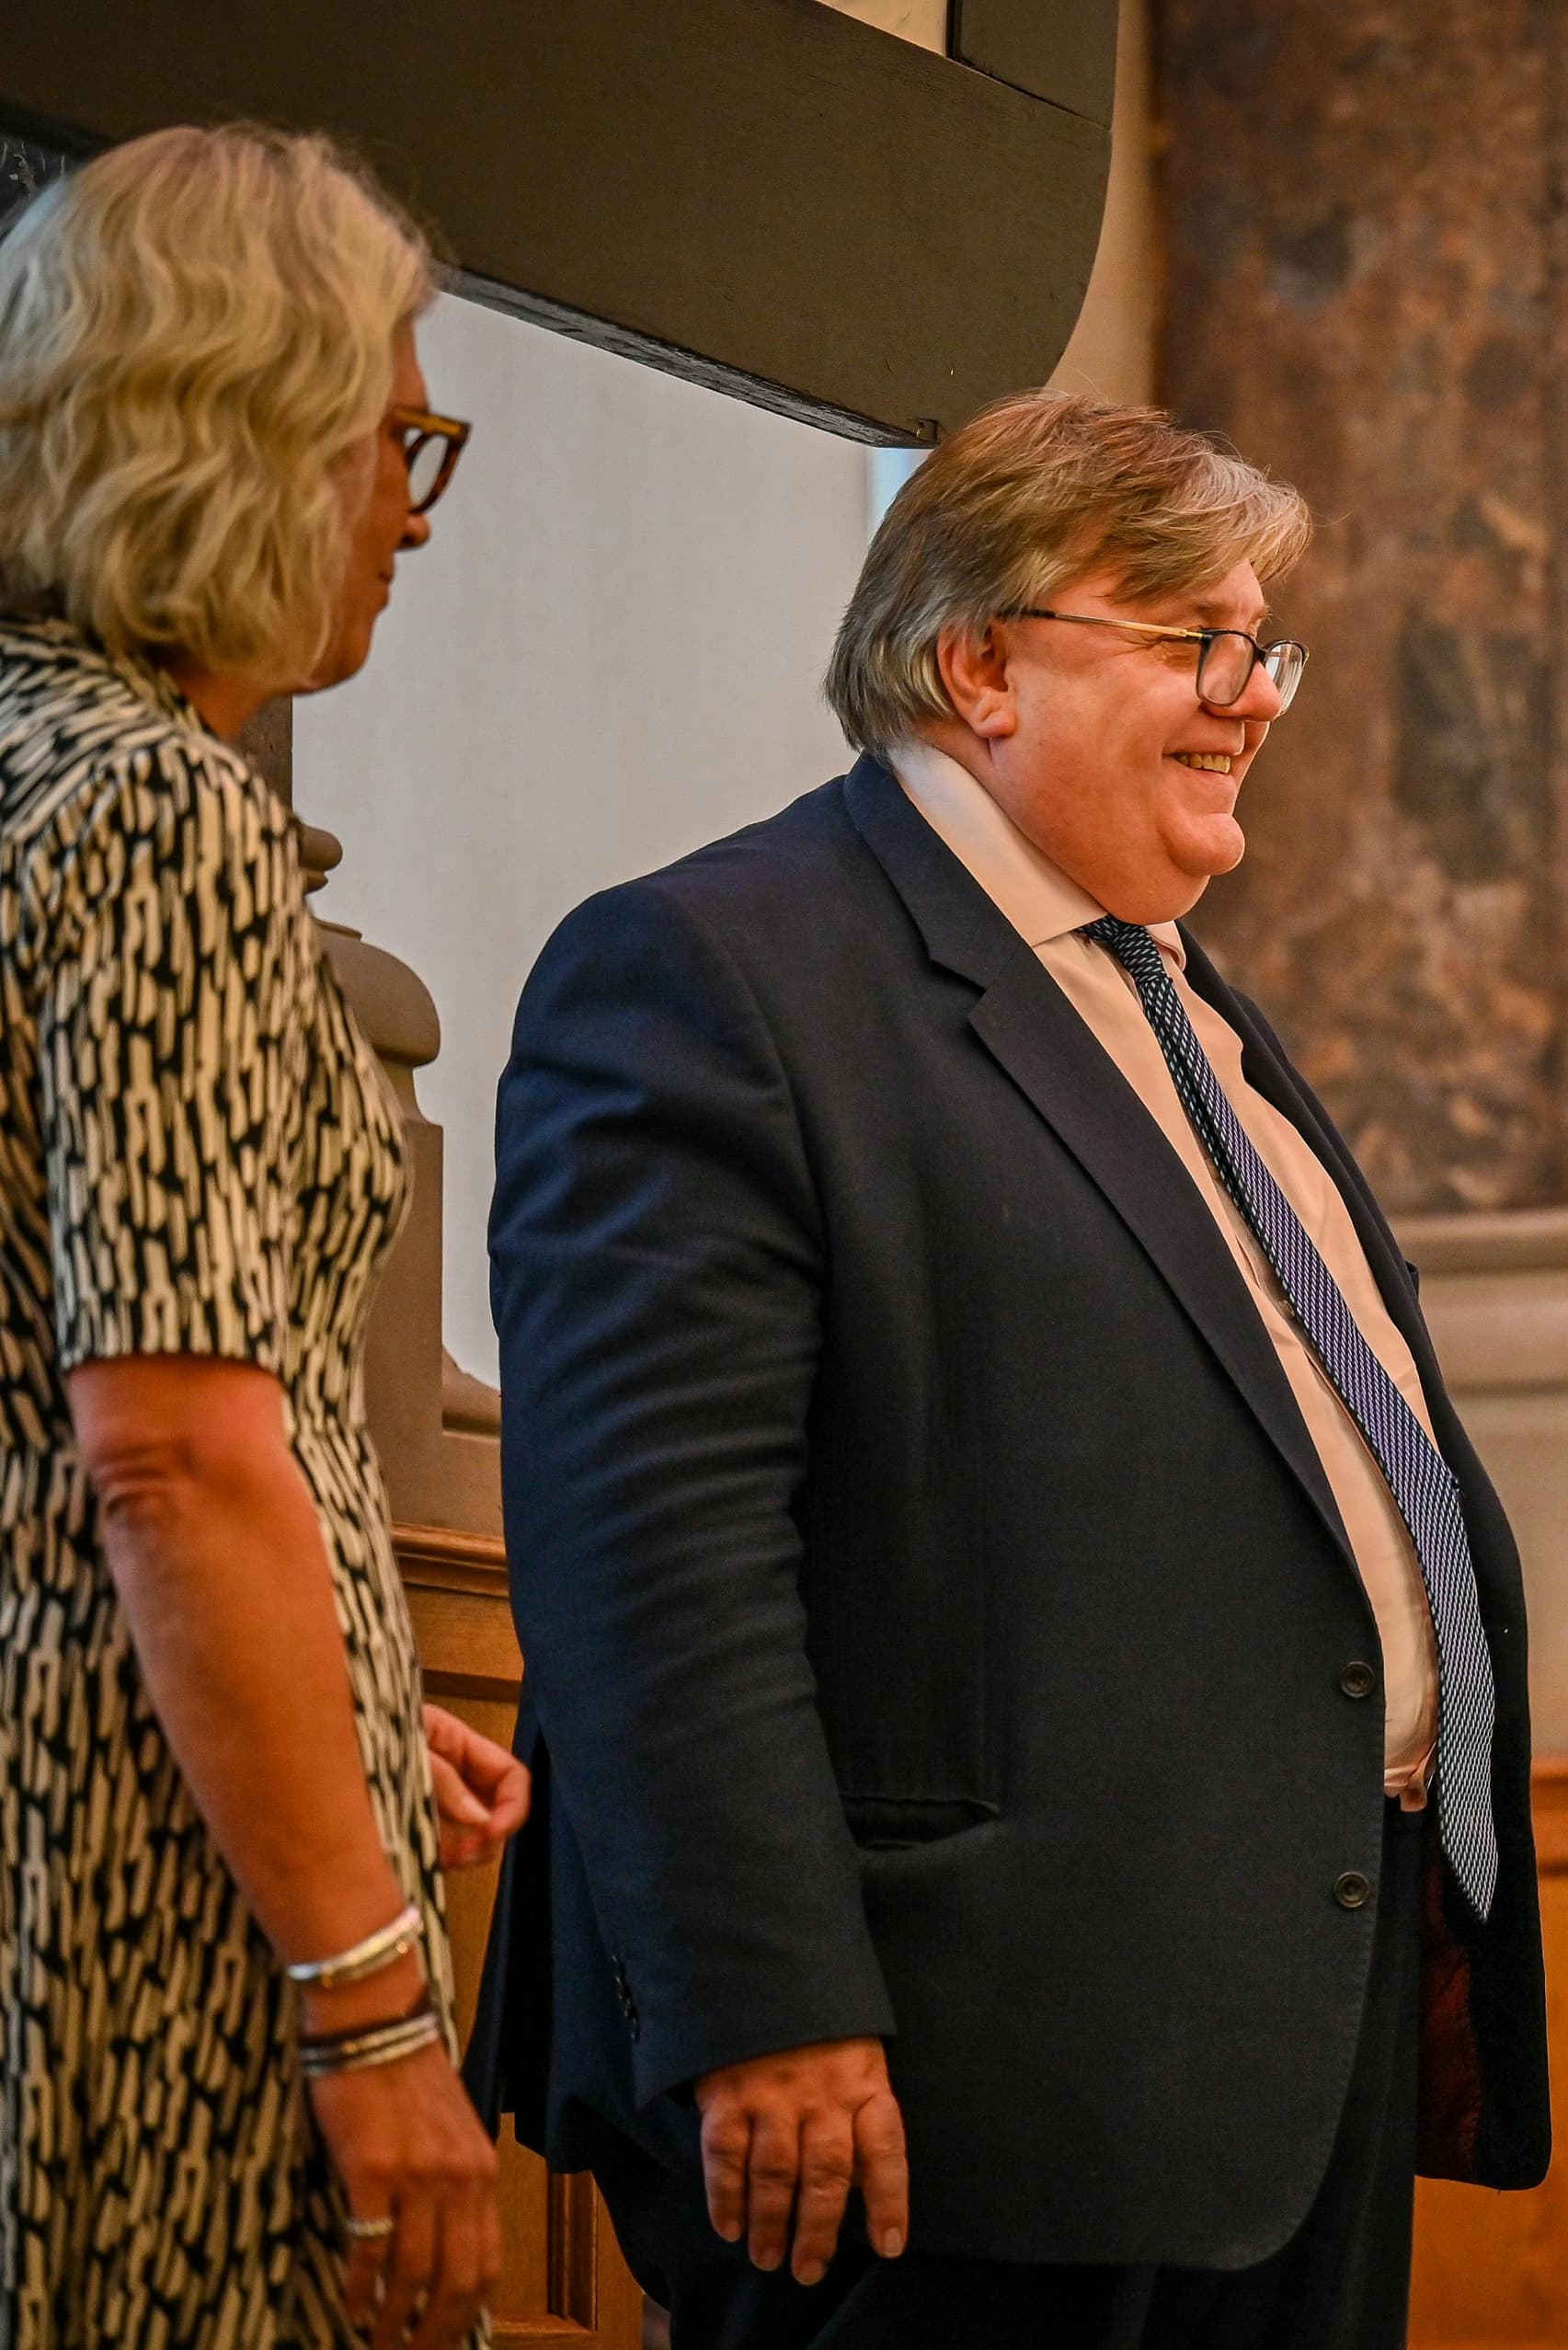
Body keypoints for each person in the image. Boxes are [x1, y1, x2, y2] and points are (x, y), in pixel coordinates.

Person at [480, 390, 1551, 2348]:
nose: (1252, 699)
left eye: (1264, 649)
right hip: (939, 2086)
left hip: (1277, 2056)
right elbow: (648, 1559)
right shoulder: (719, 973)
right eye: (1191, 645)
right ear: (978, 662)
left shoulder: (1182, 1006)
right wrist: (769, 2002)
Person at [0, 125, 524, 2349]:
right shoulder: (154, 812)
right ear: (245, 431)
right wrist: (374, 2017)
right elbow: (175, 1457)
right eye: (395, 433)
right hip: (148, 1878)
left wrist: (345, 1700)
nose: (410, 508)